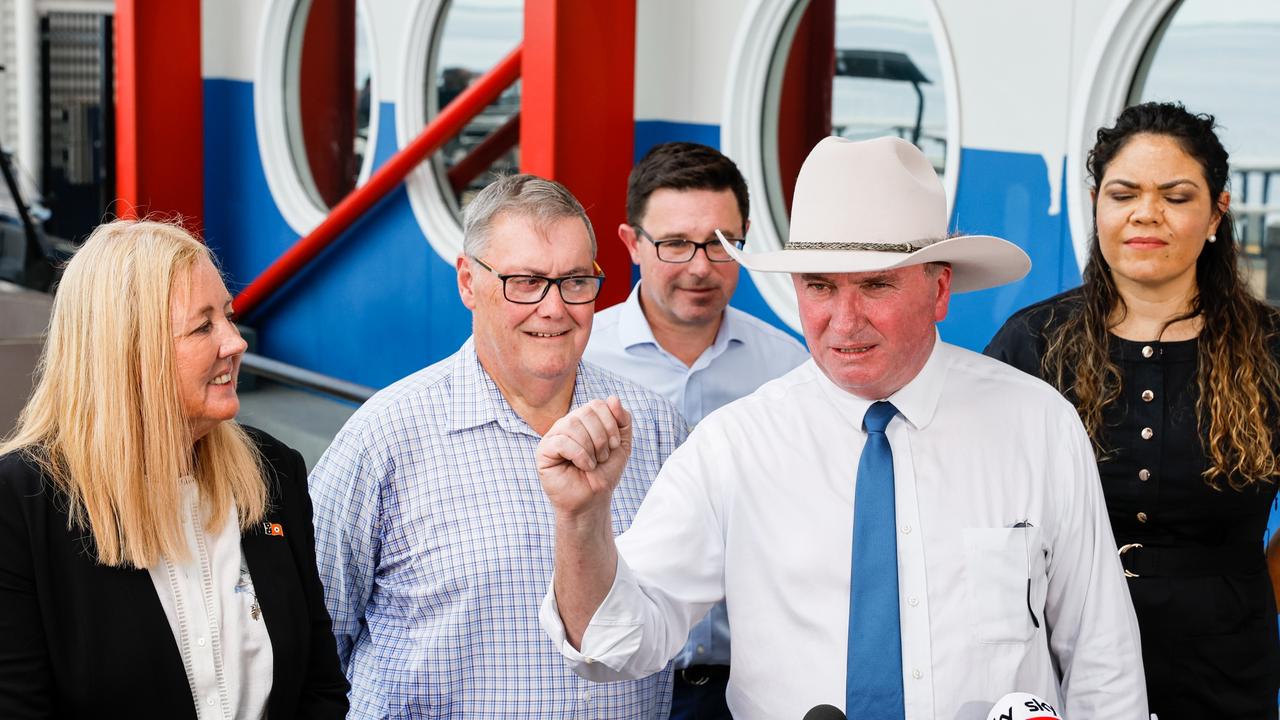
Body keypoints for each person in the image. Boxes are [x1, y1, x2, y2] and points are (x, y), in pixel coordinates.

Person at [534, 136, 1150, 719]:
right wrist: (581, 521)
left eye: (876, 284)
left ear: (939, 291)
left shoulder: (1036, 424)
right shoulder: (735, 446)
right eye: (820, 286)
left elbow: (1102, 658)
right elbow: (615, 645)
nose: (844, 319)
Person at [309, 174, 688, 718]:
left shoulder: (653, 430)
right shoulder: (385, 439)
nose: (554, 307)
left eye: (576, 281)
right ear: (468, 282)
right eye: (525, 281)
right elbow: (315, 642)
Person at [985, 102, 1280, 719]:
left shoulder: (1271, 350)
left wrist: (1246, 595)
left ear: (1216, 212)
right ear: (1098, 204)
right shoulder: (1034, 341)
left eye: (1176, 196)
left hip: (1222, 668)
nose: (1147, 213)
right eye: (1124, 193)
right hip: (1058, 660)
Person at [0, 219, 349, 718]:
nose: (235, 342)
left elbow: (320, 686)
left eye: (228, 316)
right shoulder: (21, 505)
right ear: (128, 353)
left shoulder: (274, 473)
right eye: (203, 326)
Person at [585, 141, 809, 718]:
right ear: (631, 244)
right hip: (610, 684)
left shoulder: (789, 369)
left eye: (721, 242)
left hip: (749, 689)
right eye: (676, 243)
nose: (701, 266)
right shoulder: (579, 362)